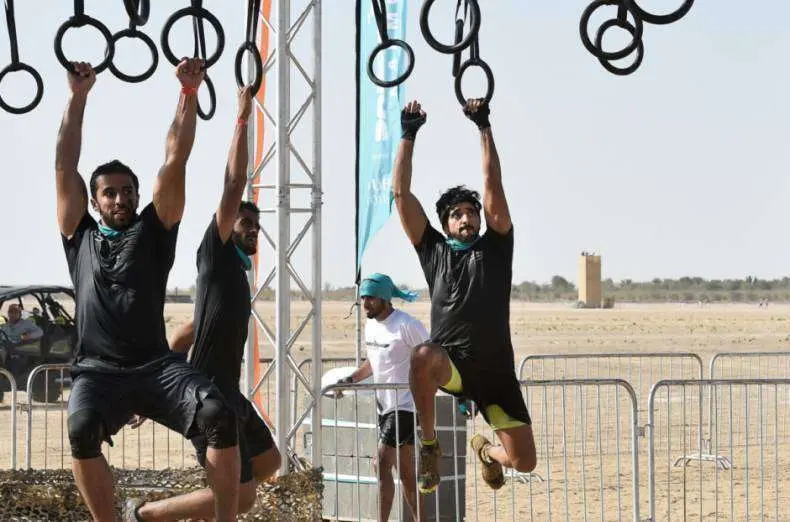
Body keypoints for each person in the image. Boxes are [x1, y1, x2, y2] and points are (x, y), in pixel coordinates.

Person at [56, 60, 241, 522]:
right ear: (95, 201)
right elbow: (63, 162)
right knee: (80, 429)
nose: (119, 199)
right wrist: (77, 97)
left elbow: (175, 158)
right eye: (109, 193)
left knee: (219, 414)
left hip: (156, 368)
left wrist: (189, 93)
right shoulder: (79, 236)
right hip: (97, 373)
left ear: (137, 197)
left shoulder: (155, 229)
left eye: (127, 192)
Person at [128, 87, 282, 521]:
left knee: (270, 464)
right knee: (241, 497)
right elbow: (234, 182)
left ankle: (187, 510)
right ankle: (144, 515)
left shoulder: (236, 273)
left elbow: (187, 331)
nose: (252, 230)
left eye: (256, 225)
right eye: (245, 223)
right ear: (225, 225)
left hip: (230, 393)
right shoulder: (214, 256)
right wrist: (242, 116)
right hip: (208, 398)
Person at [392, 98, 537, 493]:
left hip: (497, 373)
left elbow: (493, 187)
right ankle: (429, 445)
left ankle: (487, 452)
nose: (466, 217)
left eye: (471, 211)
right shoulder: (434, 251)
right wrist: (408, 133)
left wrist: (483, 126)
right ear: (445, 223)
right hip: (453, 365)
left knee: (524, 462)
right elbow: (401, 196)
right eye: (457, 213)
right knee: (423, 355)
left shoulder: (496, 246)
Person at [339, 273, 427, 521]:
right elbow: (373, 362)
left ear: (386, 299)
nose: (365, 303)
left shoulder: (407, 325)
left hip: (405, 406)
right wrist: (351, 379)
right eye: (363, 298)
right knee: (407, 473)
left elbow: (433, 356)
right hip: (384, 407)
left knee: (380, 462)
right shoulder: (371, 325)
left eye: (371, 298)